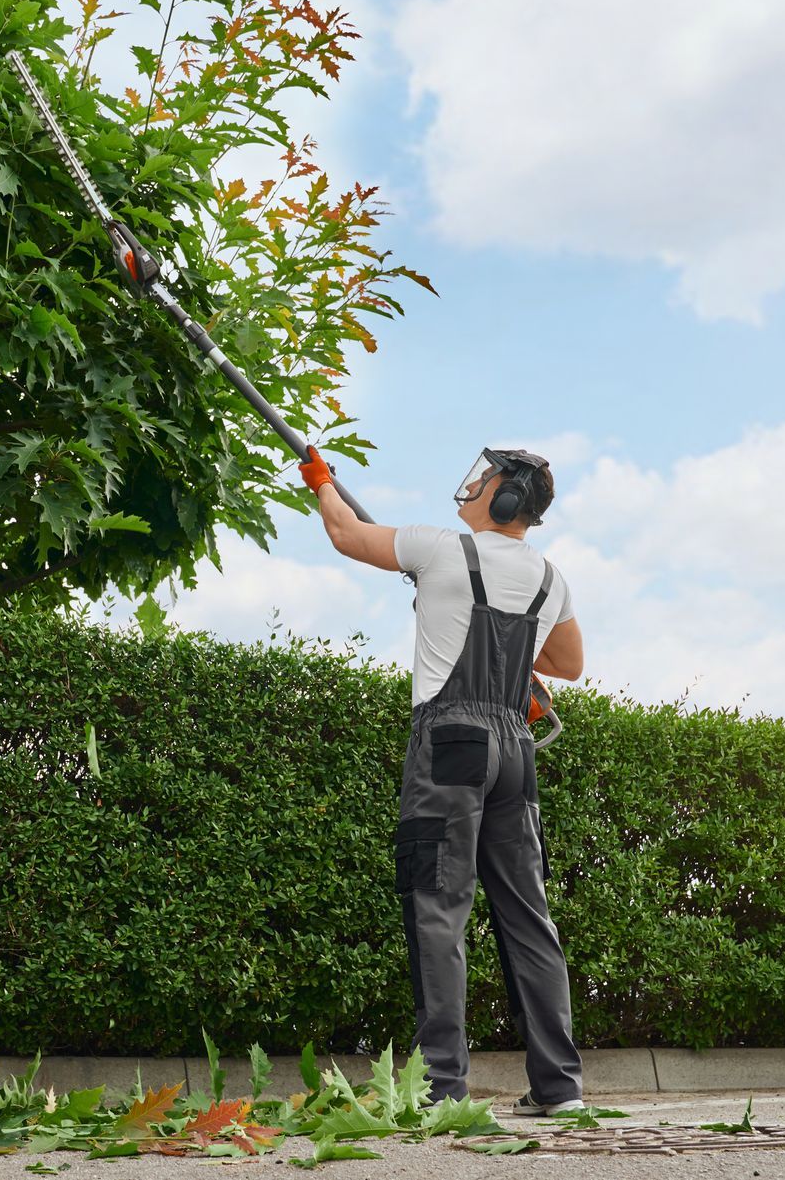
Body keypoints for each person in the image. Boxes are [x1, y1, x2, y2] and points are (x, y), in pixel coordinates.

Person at [298, 445, 587, 1114]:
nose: (473, 484)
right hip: (515, 749)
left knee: (437, 907)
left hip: (451, 743)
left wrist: (321, 478)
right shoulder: (550, 577)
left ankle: (443, 1089)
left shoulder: (440, 549)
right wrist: (514, 641)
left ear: (506, 497)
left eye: (484, 479)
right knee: (527, 916)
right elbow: (568, 662)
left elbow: (346, 533)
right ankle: (559, 1089)